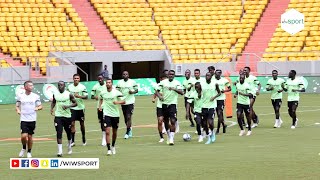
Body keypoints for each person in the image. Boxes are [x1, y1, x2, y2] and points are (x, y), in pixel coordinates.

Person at [155, 70, 183, 145]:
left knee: (173, 121)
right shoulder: (163, 82)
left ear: (174, 75)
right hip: (164, 104)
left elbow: (182, 92)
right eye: (170, 74)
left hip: (172, 104)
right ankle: (168, 135)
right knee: (166, 122)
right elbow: (156, 91)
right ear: (168, 75)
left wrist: (174, 89)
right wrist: (160, 96)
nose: (171, 75)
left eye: (172, 74)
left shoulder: (177, 83)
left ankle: (171, 138)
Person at [99, 78, 125, 156]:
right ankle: (109, 149)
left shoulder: (116, 92)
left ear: (112, 84)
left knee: (115, 132)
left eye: (109, 82)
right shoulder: (103, 92)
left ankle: (113, 145)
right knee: (107, 131)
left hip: (115, 115)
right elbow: (101, 99)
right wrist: (100, 106)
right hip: (106, 114)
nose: (108, 84)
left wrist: (117, 102)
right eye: (107, 83)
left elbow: (124, 101)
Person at [16, 81, 43, 158]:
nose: (32, 87)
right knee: (24, 136)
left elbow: (40, 106)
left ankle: (29, 151)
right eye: (30, 85)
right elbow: (17, 106)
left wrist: (37, 108)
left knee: (30, 136)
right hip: (23, 119)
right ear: (26, 87)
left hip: (32, 119)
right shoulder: (20, 96)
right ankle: (24, 148)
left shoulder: (35, 96)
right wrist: (18, 110)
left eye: (32, 85)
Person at [51, 81, 77, 157]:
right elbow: (54, 101)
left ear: (64, 86)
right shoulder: (55, 94)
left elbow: (75, 103)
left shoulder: (69, 94)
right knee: (59, 132)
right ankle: (60, 151)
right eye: (59, 85)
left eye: (62, 85)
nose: (60, 86)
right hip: (58, 116)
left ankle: (69, 146)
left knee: (68, 133)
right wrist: (51, 108)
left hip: (67, 116)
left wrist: (68, 106)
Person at [116, 71, 138, 139]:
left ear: (128, 75)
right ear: (122, 75)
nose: (125, 75)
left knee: (129, 117)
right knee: (125, 118)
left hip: (130, 102)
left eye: (126, 74)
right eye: (124, 74)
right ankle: (129, 128)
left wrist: (132, 92)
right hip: (123, 102)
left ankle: (127, 132)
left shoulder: (132, 82)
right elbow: (117, 91)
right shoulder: (119, 83)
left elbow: (136, 90)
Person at [67, 74, 88, 146]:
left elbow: (86, 97)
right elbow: (67, 95)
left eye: (77, 78)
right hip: (72, 108)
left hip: (80, 108)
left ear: (79, 79)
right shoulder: (69, 87)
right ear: (73, 79)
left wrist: (78, 96)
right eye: (75, 78)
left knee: (82, 124)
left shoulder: (82, 87)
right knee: (72, 124)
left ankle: (84, 138)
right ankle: (73, 141)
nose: (76, 79)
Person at [201, 72, 221, 144]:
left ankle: (212, 132)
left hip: (212, 106)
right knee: (204, 124)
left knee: (210, 122)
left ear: (211, 77)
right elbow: (199, 93)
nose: (207, 76)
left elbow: (219, 93)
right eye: (206, 75)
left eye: (209, 75)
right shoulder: (202, 84)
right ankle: (208, 137)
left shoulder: (215, 84)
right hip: (203, 106)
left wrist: (214, 97)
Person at [91, 75, 107, 146]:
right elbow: (91, 96)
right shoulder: (95, 86)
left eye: (101, 79)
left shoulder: (107, 85)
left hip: (107, 107)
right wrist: (95, 96)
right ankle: (104, 137)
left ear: (103, 79)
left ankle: (105, 138)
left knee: (106, 122)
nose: (100, 80)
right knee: (101, 122)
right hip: (99, 107)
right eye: (99, 79)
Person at [214, 69, 231, 134]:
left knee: (219, 113)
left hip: (221, 99)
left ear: (220, 74)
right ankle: (224, 125)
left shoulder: (224, 80)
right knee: (218, 115)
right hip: (214, 99)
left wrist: (224, 91)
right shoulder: (212, 80)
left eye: (217, 73)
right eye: (215, 73)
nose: (216, 74)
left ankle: (218, 129)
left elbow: (230, 88)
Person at [152, 73, 167, 143]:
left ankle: (170, 134)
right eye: (163, 79)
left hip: (167, 105)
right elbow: (156, 92)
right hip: (160, 106)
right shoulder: (158, 86)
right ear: (161, 80)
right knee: (160, 121)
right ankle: (161, 137)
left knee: (168, 122)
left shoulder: (168, 86)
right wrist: (153, 98)